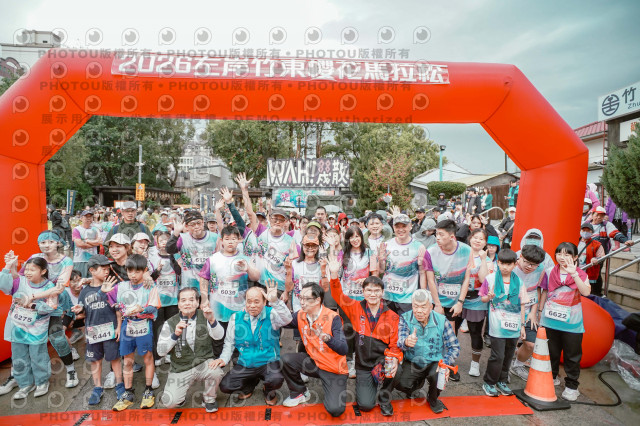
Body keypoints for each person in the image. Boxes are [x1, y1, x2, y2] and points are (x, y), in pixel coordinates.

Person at [328, 254, 402, 416]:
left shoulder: (392, 316)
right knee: (366, 405)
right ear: (363, 292)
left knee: (397, 368)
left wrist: (395, 359)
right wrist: (333, 274)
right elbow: (338, 296)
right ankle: (372, 383)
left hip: (382, 361)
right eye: (369, 290)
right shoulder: (355, 307)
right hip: (363, 366)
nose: (373, 294)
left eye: (376, 291)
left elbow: (395, 345)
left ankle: (384, 397)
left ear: (382, 292)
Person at [215, 282, 292, 405]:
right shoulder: (236, 317)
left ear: (264, 302)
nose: (252, 305)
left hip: (268, 362)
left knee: (276, 379)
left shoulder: (272, 314)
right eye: (249, 301)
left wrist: (275, 301)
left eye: (256, 302)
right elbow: (229, 343)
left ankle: (268, 390)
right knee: (226, 386)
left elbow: (288, 319)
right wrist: (223, 359)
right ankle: (250, 384)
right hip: (246, 363)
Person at [281, 282, 348, 417]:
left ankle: (333, 387)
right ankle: (299, 392)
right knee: (285, 359)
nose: (302, 302)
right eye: (300, 298)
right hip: (314, 363)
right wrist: (275, 302)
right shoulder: (301, 314)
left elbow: (343, 349)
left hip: (333, 369)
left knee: (335, 410)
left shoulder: (332, 317)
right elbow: (283, 321)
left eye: (306, 299)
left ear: (318, 300)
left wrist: (327, 338)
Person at [157, 287, 225, 413]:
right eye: (183, 300)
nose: (187, 303)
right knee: (169, 402)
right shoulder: (170, 323)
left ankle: (209, 399)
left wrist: (212, 320)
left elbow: (219, 336)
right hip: (181, 367)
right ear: (178, 304)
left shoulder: (205, 315)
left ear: (197, 302)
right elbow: (161, 352)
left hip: (203, 362)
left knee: (216, 372)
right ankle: (180, 397)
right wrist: (175, 335)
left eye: (191, 300)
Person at [538, 242, 591, 401]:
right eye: (559, 253)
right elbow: (544, 291)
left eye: (567, 254)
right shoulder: (549, 272)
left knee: (572, 356)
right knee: (551, 353)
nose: (562, 257)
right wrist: (540, 312)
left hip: (572, 324)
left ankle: (572, 386)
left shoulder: (581, 274)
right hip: (550, 321)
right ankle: (552, 377)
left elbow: (586, 292)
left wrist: (574, 274)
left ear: (575, 257)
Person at [198, 225, 261, 358]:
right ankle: (218, 368)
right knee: (218, 341)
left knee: (239, 343)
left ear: (239, 240)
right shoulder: (213, 259)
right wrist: (204, 298)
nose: (230, 242)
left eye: (234, 239)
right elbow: (203, 278)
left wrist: (248, 268)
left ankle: (237, 368)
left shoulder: (245, 258)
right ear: (222, 240)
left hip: (239, 310)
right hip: (218, 309)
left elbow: (256, 277)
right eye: (227, 239)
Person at [70, 254, 125, 405]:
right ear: (92, 270)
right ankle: (97, 388)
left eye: (108, 268)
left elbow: (118, 309)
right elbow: (83, 313)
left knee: (115, 358)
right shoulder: (84, 291)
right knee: (95, 360)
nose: (107, 271)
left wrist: (119, 327)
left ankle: (120, 385)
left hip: (111, 329)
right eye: (103, 268)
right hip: (93, 332)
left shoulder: (112, 286)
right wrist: (79, 310)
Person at [0, 254, 56, 399]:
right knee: (18, 357)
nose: (28, 272)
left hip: (36, 330)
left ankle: (42, 382)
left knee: (38, 356)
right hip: (17, 328)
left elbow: (51, 307)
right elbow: (3, 285)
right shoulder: (20, 281)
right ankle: (25, 384)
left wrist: (33, 305)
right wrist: (7, 266)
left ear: (43, 271)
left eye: (32, 269)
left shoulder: (49, 286)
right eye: (26, 269)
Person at [396, 289, 460, 414]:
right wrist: (406, 342)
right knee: (400, 382)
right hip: (413, 361)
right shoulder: (405, 318)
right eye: (415, 306)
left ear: (431, 307)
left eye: (423, 307)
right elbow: (400, 341)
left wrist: (445, 363)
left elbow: (454, 347)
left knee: (439, 374)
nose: (419, 311)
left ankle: (433, 398)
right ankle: (416, 385)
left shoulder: (442, 320)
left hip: (434, 362)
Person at [111, 254, 161, 411]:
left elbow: (154, 306)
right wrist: (102, 292)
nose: (133, 275)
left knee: (148, 358)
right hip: (127, 325)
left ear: (144, 271)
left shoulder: (150, 286)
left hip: (144, 324)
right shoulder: (121, 286)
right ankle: (128, 393)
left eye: (137, 271)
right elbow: (112, 302)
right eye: (130, 271)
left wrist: (142, 309)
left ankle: (148, 390)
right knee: (127, 361)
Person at [479, 249, 527, 397]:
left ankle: (502, 380)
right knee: (498, 356)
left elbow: (523, 304)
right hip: (497, 326)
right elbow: (483, 298)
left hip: (514, 326)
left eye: (508, 264)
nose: (505, 267)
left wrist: (522, 326)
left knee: (508, 355)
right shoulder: (490, 279)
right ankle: (489, 382)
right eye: (502, 263)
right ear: (497, 263)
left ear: (515, 264)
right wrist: (489, 297)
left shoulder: (519, 282)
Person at [509, 244, 548, 381]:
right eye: (526, 262)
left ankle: (517, 365)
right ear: (520, 256)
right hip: (510, 311)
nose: (529, 267)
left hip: (528, 311)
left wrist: (533, 311)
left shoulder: (541, 269)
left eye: (534, 264)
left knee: (531, 344)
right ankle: (503, 369)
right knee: (509, 342)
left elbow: (536, 289)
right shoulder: (510, 266)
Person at [378, 213, 426, 315]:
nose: (401, 230)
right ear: (393, 227)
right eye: (397, 227)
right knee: (388, 324)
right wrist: (381, 260)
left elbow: (422, 273)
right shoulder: (386, 245)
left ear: (410, 226)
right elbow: (381, 270)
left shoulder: (419, 247)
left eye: (404, 226)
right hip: (388, 296)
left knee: (406, 324)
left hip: (407, 298)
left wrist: (423, 293)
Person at [462, 229, 494, 377]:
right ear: (470, 238)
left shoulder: (488, 261)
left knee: (475, 332)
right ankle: (447, 360)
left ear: (485, 243)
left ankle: (475, 364)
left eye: (481, 239)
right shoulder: (462, 254)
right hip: (459, 298)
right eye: (475, 237)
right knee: (450, 329)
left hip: (476, 301)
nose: (477, 241)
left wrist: (483, 260)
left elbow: (483, 280)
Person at [149, 231, 182, 366]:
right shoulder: (152, 257)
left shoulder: (176, 256)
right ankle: (158, 355)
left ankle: (169, 353)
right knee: (158, 328)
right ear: (157, 243)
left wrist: (172, 257)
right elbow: (150, 278)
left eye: (166, 240)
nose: (164, 243)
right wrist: (157, 270)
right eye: (161, 240)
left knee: (171, 326)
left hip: (173, 299)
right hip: (158, 300)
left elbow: (180, 272)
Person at [167, 209, 219, 289]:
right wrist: (175, 234)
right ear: (186, 226)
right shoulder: (183, 238)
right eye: (192, 224)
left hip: (209, 285)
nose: (196, 226)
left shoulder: (214, 237)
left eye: (199, 223)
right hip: (189, 286)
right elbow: (169, 250)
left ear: (203, 223)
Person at [256, 208, 297, 296]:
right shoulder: (262, 233)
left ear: (285, 222)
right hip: (261, 283)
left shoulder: (291, 241)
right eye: (275, 219)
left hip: (279, 287)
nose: (277, 222)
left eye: (281, 220)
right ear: (270, 219)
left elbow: (293, 269)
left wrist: (286, 291)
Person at [577, 223, 605, 296]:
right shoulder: (575, 241)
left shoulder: (597, 244)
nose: (585, 232)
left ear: (592, 232)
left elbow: (601, 257)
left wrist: (596, 259)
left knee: (588, 294)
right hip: (576, 272)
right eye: (583, 230)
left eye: (588, 231)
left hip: (589, 273)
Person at [72, 210, 103, 278]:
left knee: (93, 280)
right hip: (80, 260)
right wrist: (94, 242)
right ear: (81, 218)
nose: (88, 218)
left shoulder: (95, 229)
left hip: (93, 260)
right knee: (79, 279)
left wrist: (87, 241)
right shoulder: (76, 229)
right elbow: (79, 244)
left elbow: (100, 242)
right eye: (86, 217)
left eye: (90, 217)